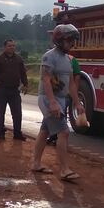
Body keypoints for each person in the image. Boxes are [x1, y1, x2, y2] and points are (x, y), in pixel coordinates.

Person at [31, 24, 84, 181]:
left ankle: (35, 163)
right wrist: (53, 102)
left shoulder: (68, 59)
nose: (72, 43)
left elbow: (71, 84)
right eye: (70, 40)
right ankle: (64, 170)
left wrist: (77, 103)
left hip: (60, 99)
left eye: (74, 40)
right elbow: (46, 80)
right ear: (60, 40)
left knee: (45, 132)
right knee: (64, 132)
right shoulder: (49, 56)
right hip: (48, 99)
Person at [0, 39, 28, 141]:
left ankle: (17, 133)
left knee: (17, 113)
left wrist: (26, 84)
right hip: (2, 90)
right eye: (10, 46)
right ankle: (1, 133)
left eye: (13, 46)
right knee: (1, 112)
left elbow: (23, 73)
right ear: (5, 47)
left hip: (15, 90)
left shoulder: (19, 59)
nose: (12, 48)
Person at [46, 53, 81, 146]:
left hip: (65, 93)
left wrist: (74, 93)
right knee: (52, 115)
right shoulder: (52, 58)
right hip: (55, 92)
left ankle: (57, 138)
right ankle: (54, 136)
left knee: (61, 114)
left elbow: (76, 77)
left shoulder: (71, 60)